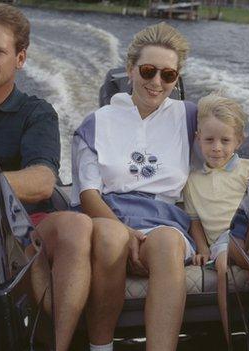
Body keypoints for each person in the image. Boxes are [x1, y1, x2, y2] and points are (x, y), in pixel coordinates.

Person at [0, 4, 126, 351]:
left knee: (76, 226)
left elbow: (43, 181)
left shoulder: (36, 113)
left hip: (26, 224)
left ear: (20, 58)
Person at [71, 22, 196, 351]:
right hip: (109, 214)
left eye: (168, 75)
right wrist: (125, 232)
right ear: (130, 70)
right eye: (148, 71)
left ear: (176, 79)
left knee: (169, 243)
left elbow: (226, 145)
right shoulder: (97, 122)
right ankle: (101, 348)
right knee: (111, 240)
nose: (156, 82)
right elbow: (87, 194)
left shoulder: (189, 117)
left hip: (163, 219)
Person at [182, 93, 249, 344]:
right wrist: (201, 248)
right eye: (209, 140)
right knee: (223, 264)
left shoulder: (248, 170)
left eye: (225, 140)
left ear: (239, 140)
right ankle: (233, 337)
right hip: (222, 243)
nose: (216, 147)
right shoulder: (192, 180)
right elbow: (195, 221)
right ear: (197, 139)